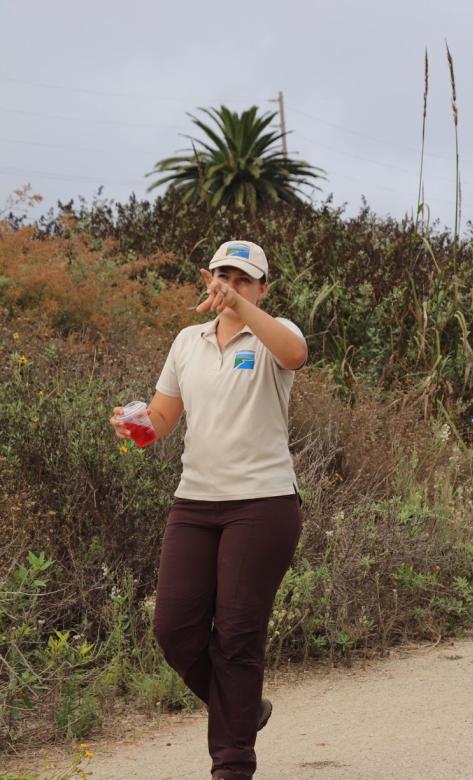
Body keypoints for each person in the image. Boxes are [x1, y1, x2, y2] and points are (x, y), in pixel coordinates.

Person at [109, 240, 308, 780]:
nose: (230, 285)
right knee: (174, 628)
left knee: (239, 634)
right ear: (207, 278)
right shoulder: (187, 341)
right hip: (195, 502)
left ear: (262, 288)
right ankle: (244, 708)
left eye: (243, 279)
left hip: (263, 503)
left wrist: (241, 308)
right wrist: (137, 426)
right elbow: (163, 419)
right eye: (222, 275)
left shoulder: (273, 332)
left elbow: (294, 354)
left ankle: (232, 764)